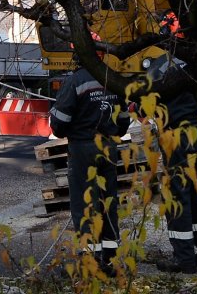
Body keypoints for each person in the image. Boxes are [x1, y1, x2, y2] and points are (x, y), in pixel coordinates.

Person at [49, 47, 128, 265]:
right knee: (108, 202)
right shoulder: (112, 79)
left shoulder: (75, 82)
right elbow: (123, 122)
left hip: (83, 148)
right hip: (108, 148)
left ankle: (90, 262)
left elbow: (59, 124)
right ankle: (110, 260)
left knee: (86, 205)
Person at [141, 46, 197, 273]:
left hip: (177, 139)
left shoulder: (156, 69)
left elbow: (147, 106)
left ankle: (183, 259)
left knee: (178, 198)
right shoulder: (196, 61)